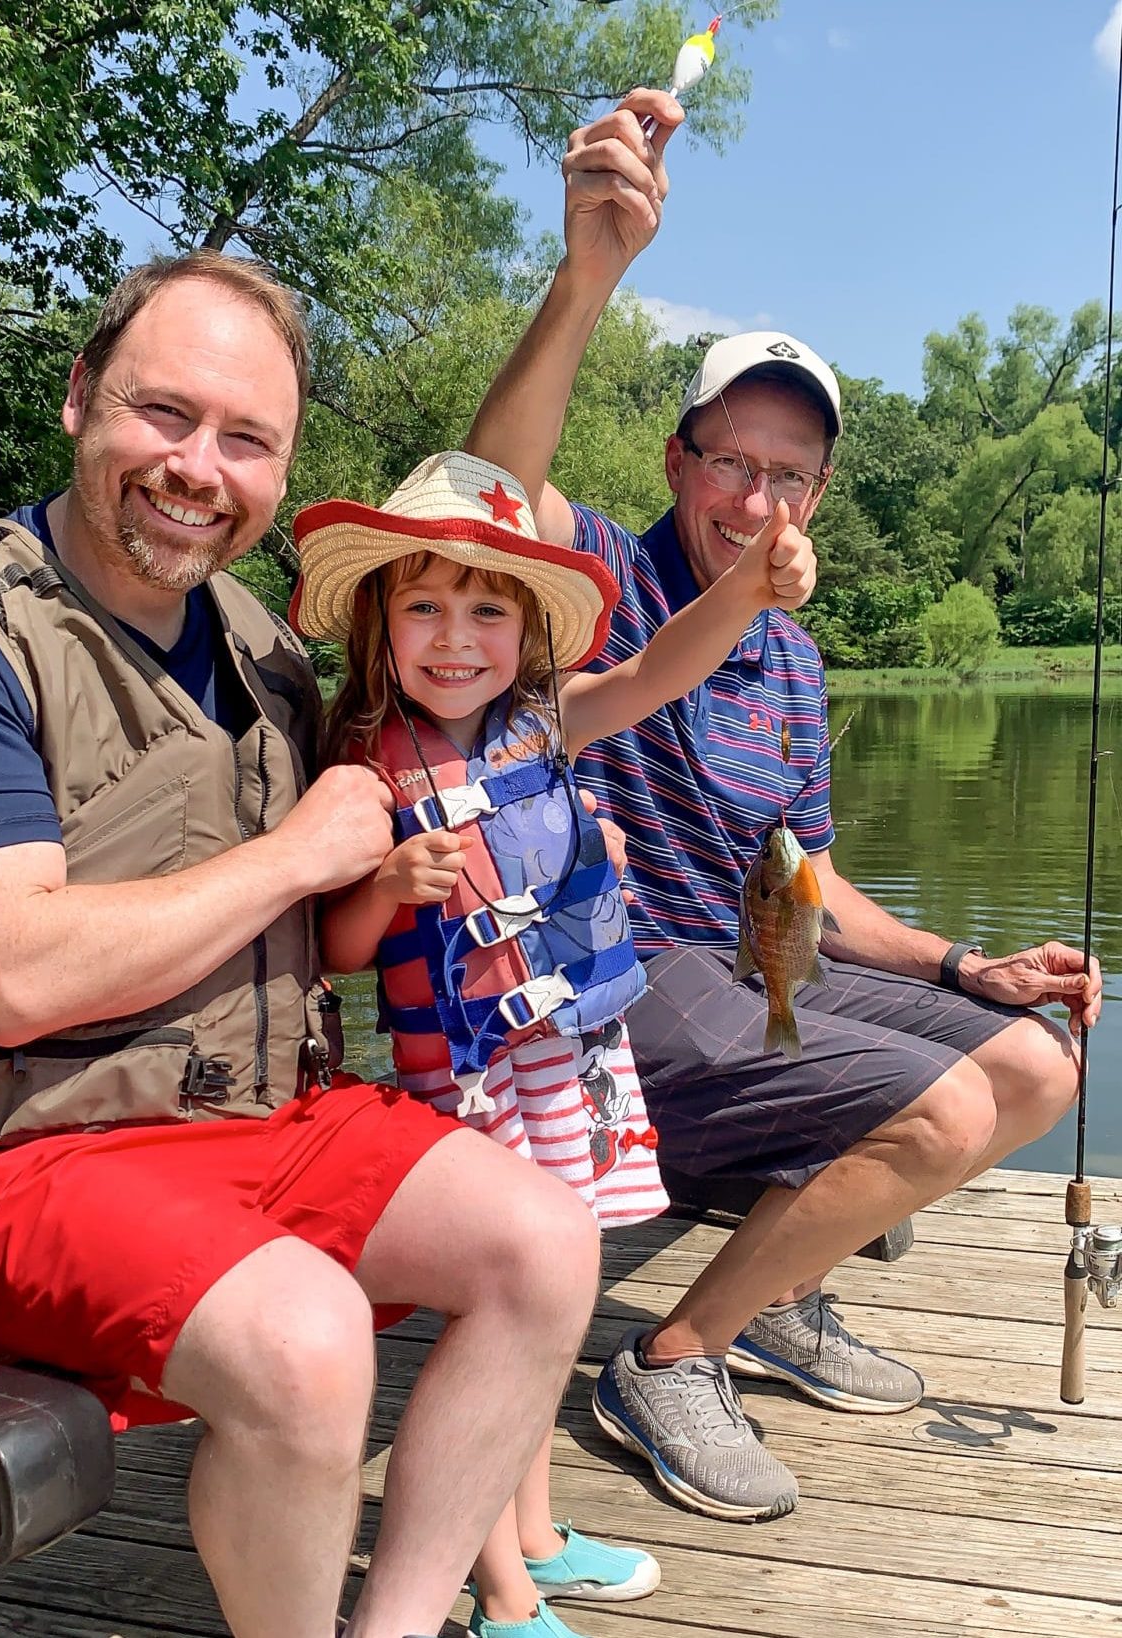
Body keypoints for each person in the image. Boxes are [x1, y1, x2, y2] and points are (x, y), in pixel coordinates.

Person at [463, 86, 1104, 1523]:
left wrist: (962, 962)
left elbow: (803, 885)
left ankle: (776, 1291)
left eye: (790, 476)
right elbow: (488, 492)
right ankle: (672, 1354)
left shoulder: (800, 662)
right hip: (618, 986)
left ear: (815, 498)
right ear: (681, 460)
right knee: (938, 1107)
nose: (757, 501)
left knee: (1040, 1056)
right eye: (734, 463)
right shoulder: (600, 580)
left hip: (749, 974)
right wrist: (589, 272)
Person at [0, 250, 607, 1638]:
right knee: (310, 1340)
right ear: (80, 399)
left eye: (246, 437)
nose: (200, 466)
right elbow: (8, 978)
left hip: (279, 1111)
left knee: (548, 1239)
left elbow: (477, 545)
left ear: (281, 467)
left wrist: (590, 271)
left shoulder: (271, 651)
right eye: (165, 414)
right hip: (42, 1149)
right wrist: (305, 853)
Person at [291, 442, 816, 1635]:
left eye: (486, 609)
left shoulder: (547, 724)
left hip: (568, 1061)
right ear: (377, 624)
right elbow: (336, 952)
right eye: (422, 606)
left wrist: (743, 591)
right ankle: (502, 1592)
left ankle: (533, 1531)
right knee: (502, 1311)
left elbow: (657, 671)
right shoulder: (364, 767)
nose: (455, 635)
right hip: (470, 1082)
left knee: (552, 1306)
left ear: (529, 636)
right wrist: (387, 882)